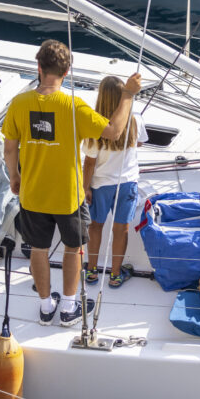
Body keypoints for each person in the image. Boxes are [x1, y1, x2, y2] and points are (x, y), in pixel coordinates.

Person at [2, 39, 142, 326]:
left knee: (38, 250)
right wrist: (127, 94)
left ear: (38, 67)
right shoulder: (73, 106)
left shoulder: (18, 103)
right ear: (66, 73)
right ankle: (68, 308)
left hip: (32, 194)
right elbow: (115, 131)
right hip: (68, 196)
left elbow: (9, 148)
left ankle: (44, 307)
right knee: (72, 248)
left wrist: (15, 178)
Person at [82, 76, 148, 289]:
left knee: (96, 227)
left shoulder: (95, 126)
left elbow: (89, 163)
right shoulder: (135, 118)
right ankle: (116, 274)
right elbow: (140, 142)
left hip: (100, 185)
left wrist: (85, 187)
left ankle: (91, 270)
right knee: (121, 229)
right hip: (127, 183)